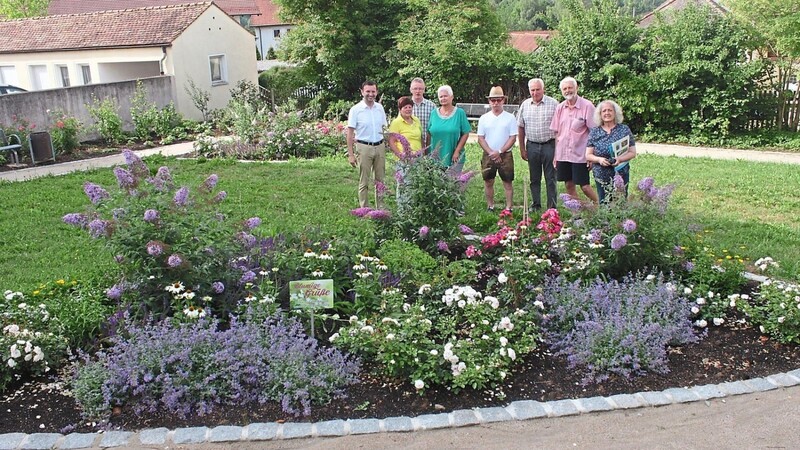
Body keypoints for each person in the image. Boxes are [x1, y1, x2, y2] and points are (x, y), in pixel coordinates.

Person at [550, 77, 598, 204]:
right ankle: (578, 213)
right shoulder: (560, 108)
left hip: (580, 155)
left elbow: (595, 133)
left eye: (570, 87)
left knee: (585, 186)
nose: (567, 91)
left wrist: (592, 155)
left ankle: (602, 208)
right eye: (564, 89)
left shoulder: (587, 106)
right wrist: (556, 155)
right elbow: (557, 133)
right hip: (563, 155)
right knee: (569, 185)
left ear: (576, 88)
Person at [517, 78, 558, 211]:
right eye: (532, 90)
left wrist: (558, 150)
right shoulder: (525, 105)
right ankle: (535, 204)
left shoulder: (553, 104)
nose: (535, 93)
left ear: (543, 89)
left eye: (537, 89)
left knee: (550, 178)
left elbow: (559, 128)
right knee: (534, 178)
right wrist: (522, 148)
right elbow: (521, 127)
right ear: (529, 91)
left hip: (549, 145)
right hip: (532, 145)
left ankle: (552, 208)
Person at [586, 100, 637, 203]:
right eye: (604, 111)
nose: (607, 113)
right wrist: (599, 159)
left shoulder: (624, 129)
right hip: (601, 173)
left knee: (620, 201)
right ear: (600, 114)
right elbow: (588, 155)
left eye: (610, 110)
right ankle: (605, 219)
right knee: (604, 202)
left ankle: (621, 219)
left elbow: (632, 152)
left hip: (621, 172)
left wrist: (620, 159)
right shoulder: (595, 132)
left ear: (615, 113)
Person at [346, 80, 388, 208]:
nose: (370, 94)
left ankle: (380, 208)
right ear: (362, 92)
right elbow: (350, 133)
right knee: (364, 180)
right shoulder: (356, 110)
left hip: (379, 146)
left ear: (377, 92)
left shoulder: (379, 108)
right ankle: (364, 208)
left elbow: (384, 128)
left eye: (373, 91)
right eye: (368, 91)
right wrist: (351, 155)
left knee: (380, 180)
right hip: (364, 147)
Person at [478, 86, 518, 212]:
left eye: (498, 100)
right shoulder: (484, 118)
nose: (495, 103)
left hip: (505, 154)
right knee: (488, 180)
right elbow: (480, 138)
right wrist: (491, 152)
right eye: (493, 100)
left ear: (503, 101)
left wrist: (500, 151)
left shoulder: (510, 118)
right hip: (488, 154)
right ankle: (490, 205)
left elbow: (513, 137)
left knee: (507, 181)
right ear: (489, 101)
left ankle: (509, 207)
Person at [427, 85, 471, 175]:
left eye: (445, 96)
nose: (443, 98)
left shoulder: (459, 113)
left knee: (452, 186)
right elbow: (429, 133)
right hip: (436, 157)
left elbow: (465, 133)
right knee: (436, 186)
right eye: (441, 96)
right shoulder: (433, 113)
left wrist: (457, 151)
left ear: (452, 97)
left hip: (453, 156)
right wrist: (428, 154)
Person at [387, 96, 422, 207]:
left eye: (410, 107)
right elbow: (392, 141)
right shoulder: (396, 123)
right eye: (405, 107)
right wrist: (400, 155)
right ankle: (402, 208)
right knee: (403, 183)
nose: (408, 109)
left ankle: (413, 206)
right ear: (400, 109)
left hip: (417, 157)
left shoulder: (416, 120)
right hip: (404, 159)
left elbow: (420, 138)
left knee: (415, 183)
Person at [409, 78, 436, 149]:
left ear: (424, 90)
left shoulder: (432, 106)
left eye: (420, 89)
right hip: (410, 145)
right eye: (415, 88)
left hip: (428, 145)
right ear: (411, 90)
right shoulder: (405, 106)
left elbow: (435, 126)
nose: (418, 91)